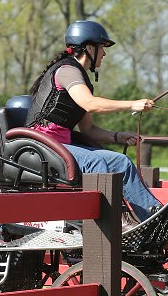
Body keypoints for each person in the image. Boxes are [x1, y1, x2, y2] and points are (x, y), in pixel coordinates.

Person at [25, 20, 160, 223]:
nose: (104, 54)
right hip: (41, 146)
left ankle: (153, 217)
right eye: (102, 48)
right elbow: (91, 104)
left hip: (61, 146)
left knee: (121, 161)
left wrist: (118, 137)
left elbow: (88, 129)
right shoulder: (67, 71)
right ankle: (112, 223)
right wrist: (133, 104)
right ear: (89, 48)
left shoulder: (81, 79)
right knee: (94, 161)